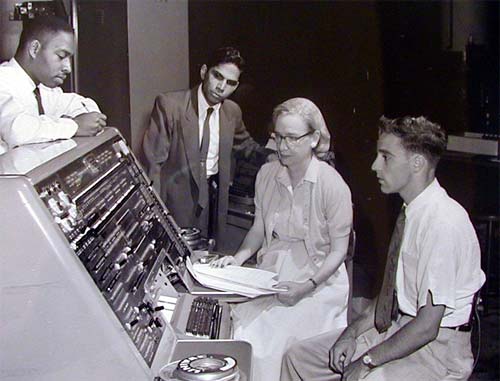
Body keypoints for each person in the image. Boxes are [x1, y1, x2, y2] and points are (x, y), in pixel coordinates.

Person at [281, 116, 486, 381]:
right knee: (299, 358)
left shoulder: (443, 223)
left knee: (367, 379)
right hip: (399, 326)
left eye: (386, 157)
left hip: (438, 352)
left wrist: (367, 362)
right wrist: (351, 333)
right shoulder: (412, 211)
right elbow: (392, 294)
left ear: (417, 163)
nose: (375, 165)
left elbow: (427, 327)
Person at [211, 98, 353, 381]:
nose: (282, 146)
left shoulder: (332, 184)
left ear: (314, 138)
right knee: (235, 326)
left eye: (291, 138)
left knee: (270, 340)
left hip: (318, 280)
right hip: (274, 270)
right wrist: (236, 261)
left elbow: (339, 251)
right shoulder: (267, 174)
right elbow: (258, 229)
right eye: (278, 137)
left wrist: (305, 287)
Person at [142, 47, 266, 248]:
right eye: (218, 76)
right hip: (175, 201)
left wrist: (275, 154)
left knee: (208, 257)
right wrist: (156, 216)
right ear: (203, 72)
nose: (222, 87)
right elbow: (153, 166)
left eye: (231, 83)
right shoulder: (170, 105)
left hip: (214, 201)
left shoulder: (232, 112)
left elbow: (246, 146)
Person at [0, 15, 107, 155]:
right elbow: (17, 131)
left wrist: (86, 120)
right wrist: (74, 125)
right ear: (34, 49)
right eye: (61, 56)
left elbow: (80, 103)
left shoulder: (43, 90)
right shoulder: (4, 82)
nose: (68, 68)